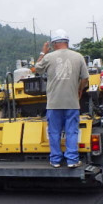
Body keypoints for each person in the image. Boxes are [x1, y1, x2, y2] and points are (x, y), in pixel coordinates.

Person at [34, 29, 89, 169]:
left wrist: (43, 52)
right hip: (72, 102)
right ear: (67, 42)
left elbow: (36, 69)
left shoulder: (49, 57)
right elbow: (85, 78)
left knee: (54, 132)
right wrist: (80, 89)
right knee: (71, 131)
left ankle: (55, 160)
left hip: (53, 103)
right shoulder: (78, 57)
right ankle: (72, 160)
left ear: (54, 44)